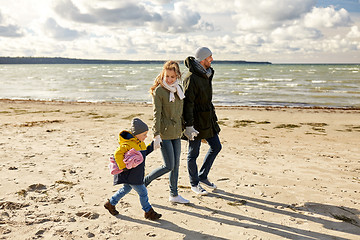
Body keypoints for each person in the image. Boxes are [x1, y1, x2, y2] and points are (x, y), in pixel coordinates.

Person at [144, 61, 190, 204]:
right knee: (168, 165)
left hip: (176, 132)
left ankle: (174, 195)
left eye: (172, 77)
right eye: (167, 76)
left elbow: (181, 112)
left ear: (177, 76)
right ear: (163, 74)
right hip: (164, 133)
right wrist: (156, 134)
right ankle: (143, 182)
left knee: (176, 165)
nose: (169, 79)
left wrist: (188, 127)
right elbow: (156, 114)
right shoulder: (159, 91)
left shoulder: (179, 89)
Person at [182, 47, 222, 196]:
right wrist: (189, 126)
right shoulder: (191, 78)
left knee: (216, 146)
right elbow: (188, 104)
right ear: (202, 59)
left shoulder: (206, 74)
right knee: (193, 154)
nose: (212, 59)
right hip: (195, 122)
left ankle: (203, 176)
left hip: (208, 119)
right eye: (210, 57)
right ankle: (194, 183)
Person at [104, 118, 162, 221]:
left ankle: (111, 203)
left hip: (136, 174)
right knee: (143, 192)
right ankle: (148, 211)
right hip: (131, 174)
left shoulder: (141, 143)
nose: (146, 136)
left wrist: (153, 146)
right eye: (144, 134)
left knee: (126, 189)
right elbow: (117, 154)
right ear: (136, 134)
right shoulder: (128, 144)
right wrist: (123, 167)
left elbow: (144, 154)